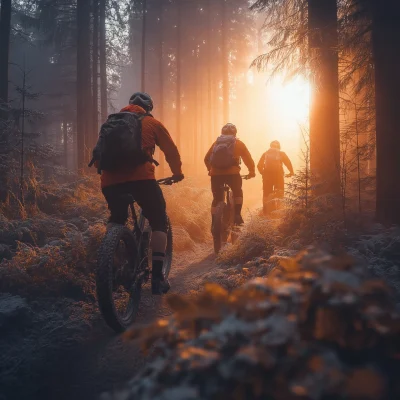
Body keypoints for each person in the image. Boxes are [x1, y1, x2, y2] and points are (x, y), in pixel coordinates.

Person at [96, 92, 184, 295]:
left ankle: (111, 265)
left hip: (110, 182)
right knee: (158, 220)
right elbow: (171, 151)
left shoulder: (110, 124)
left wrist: (110, 176)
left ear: (129, 106)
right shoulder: (152, 123)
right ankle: (157, 279)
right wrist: (177, 173)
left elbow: (97, 155)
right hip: (142, 180)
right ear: (148, 108)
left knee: (117, 218)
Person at [204, 123, 256, 226]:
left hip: (216, 175)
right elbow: (247, 159)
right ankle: (237, 214)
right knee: (237, 192)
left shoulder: (216, 143)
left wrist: (210, 170)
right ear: (235, 133)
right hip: (232, 174)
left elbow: (206, 158)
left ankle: (214, 222)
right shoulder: (239, 143)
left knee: (216, 199)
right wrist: (251, 171)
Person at [257, 140, 294, 214]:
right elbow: (288, 163)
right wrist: (291, 172)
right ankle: (280, 212)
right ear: (279, 147)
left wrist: (263, 173)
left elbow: (259, 165)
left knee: (266, 194)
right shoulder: (281, 153)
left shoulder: (265, 153)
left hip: (267, 177)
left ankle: (266, 212)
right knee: (279, 193)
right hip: (278, 176)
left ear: (270, 146)